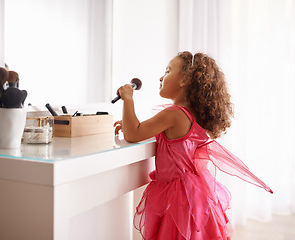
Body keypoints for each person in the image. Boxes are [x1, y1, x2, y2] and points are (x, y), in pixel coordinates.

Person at [114, 51, 273, 240]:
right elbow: (146, 131)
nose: (160, 77)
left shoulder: (173, 114)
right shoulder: (188, 116)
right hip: (191, 193)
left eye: (167, 71)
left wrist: (128, 99)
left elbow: (134, 134)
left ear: (184, 80)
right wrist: (129, 123)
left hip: (177, 197)